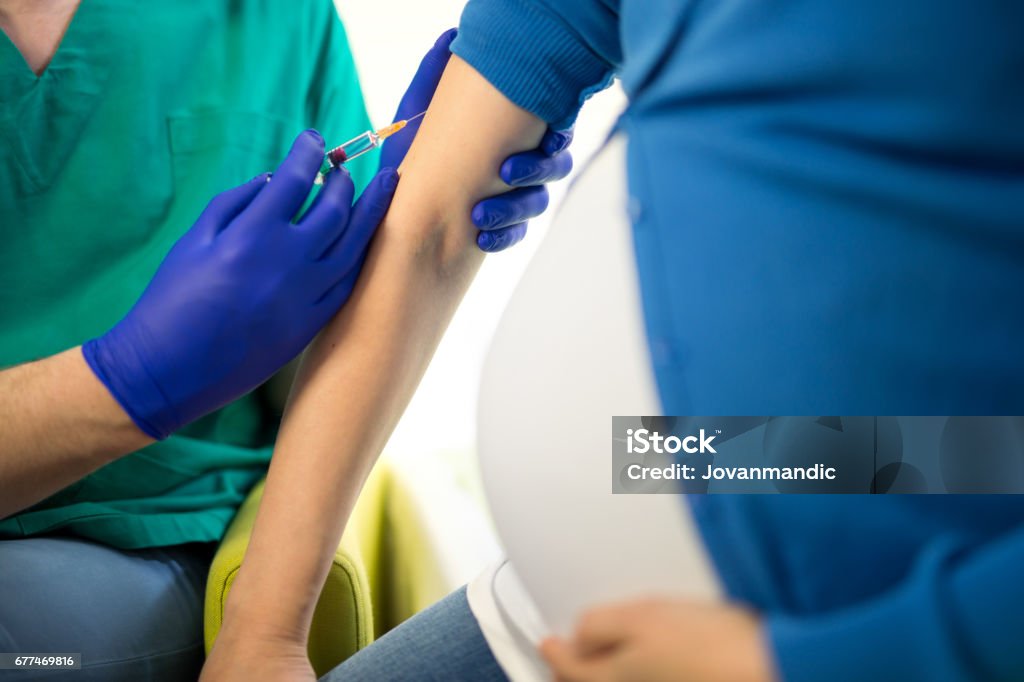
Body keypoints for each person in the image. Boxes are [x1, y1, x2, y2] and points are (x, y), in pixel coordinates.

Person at [203, 2, 1024, 682]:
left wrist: (793, 664)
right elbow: (428, 222)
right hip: (560, 612)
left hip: (881, 614)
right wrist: (262, 634)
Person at [0, 1, 570, 678]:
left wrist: (265, 631)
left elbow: (422, 236)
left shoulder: (279, 20)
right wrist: (125, 379)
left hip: (150, 538)